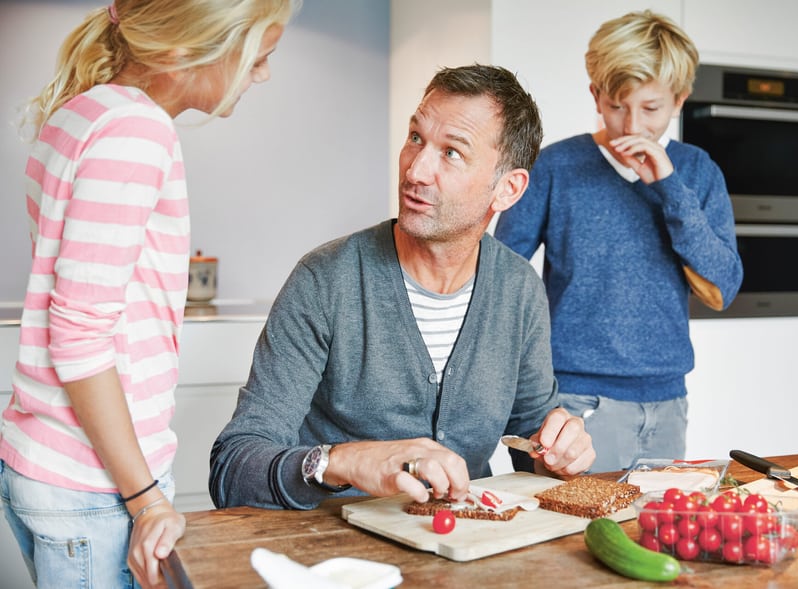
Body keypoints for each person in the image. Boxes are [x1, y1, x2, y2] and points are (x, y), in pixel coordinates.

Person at [0, 1, 297, 587]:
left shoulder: (81, 112)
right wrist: (146, 500)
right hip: (96, 483)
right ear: (186, 49)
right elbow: (80, 334)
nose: (262, 74)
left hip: (50, 462)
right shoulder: (135, 132)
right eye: (257, 58)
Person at [209, 64, 596, 511]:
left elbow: (532, 447)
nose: (416, 171)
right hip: (335, 561)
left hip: (462, 552)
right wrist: (340, 462)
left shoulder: (519, 290)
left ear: (507, 189)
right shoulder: (325, 279)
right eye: (416, 138)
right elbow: (232, 467)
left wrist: (559, 454)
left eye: (451, 152)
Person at [494, 10, 743, 473]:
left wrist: (667, 185)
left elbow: (722, 287)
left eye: (650, 109)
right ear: (595, 95)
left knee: (643, 537)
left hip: (667, 402)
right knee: (562, 537)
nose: (631, 126)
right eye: (616, 106)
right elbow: (499, 275)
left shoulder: (697, 172)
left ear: (679, 101)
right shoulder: (555, 167)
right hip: (571, 401)